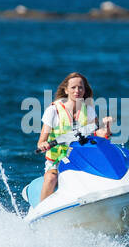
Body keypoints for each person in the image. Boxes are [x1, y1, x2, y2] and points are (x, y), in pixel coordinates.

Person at [35, 72, 113, 201]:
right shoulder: (53, 111)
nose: (77, 90)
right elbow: (41, 142)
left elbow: (97, 134)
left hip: (80, 158)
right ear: (66, 90)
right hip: (57, 161)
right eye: (73, 87)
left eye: (80, 87)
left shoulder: (88, 110)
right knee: (51, 178)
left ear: (85, 90)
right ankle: (40, 212)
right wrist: (43, 145)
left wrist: (106, 129)